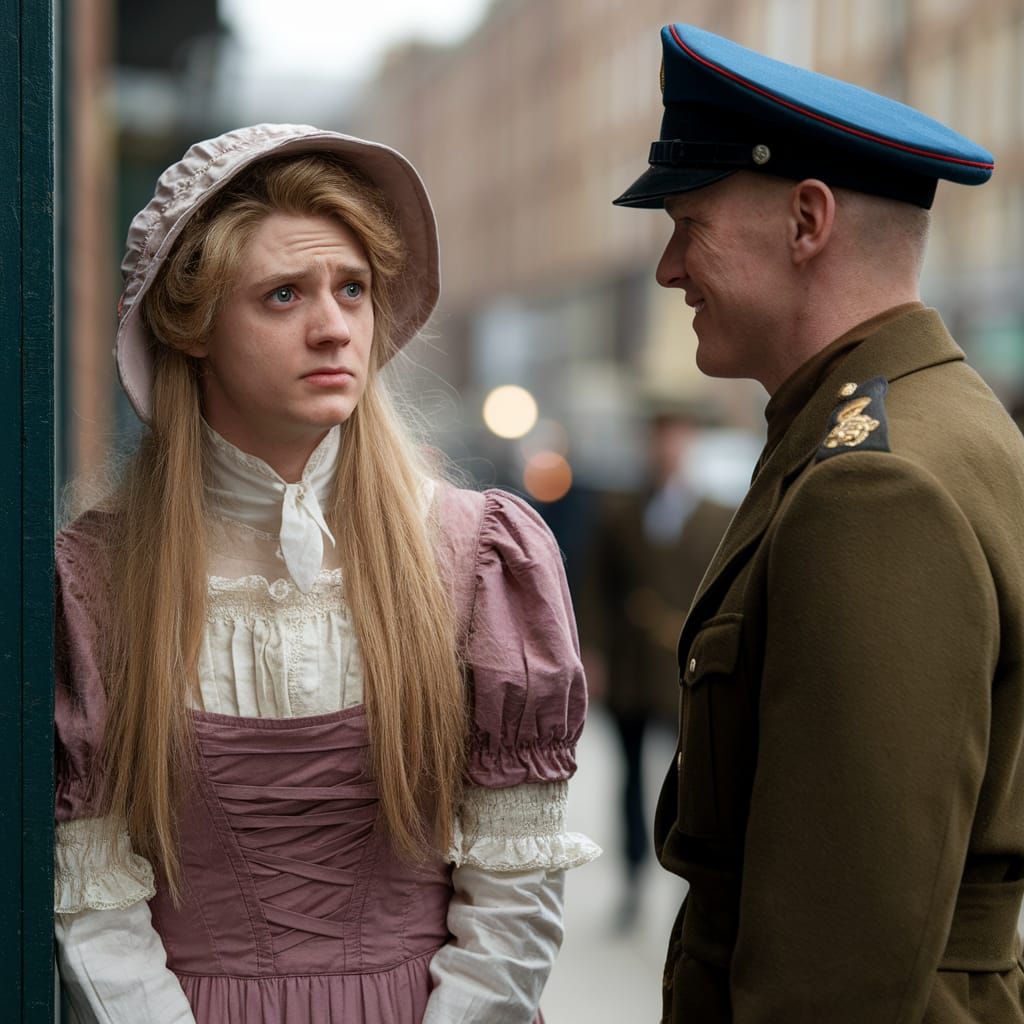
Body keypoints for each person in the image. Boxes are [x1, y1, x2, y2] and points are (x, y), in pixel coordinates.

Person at [53, 123, 600, 1024]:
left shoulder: (477, 554)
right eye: (282, 295)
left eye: (352, 289)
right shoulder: (102, 580)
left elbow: (514, 896)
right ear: (193, 329)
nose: (334, 326)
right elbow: (95, 907)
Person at [613, 24, 1024, 1024]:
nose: (670, 269)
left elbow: (833, 967)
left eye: (689, 221)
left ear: (807, 220)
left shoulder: (872, 486)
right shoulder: (918, 421)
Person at [579, 397, 733, 929]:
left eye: (677, 436)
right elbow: (595, 588)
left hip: (689, 669)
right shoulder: (621, 510)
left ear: (689, 443)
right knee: (629, 778)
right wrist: (591, 652)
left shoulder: (718, 514)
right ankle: (632, 877)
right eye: (658, 436)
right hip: (630, 667)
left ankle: (688, 881)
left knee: (694, 779)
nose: (666, 447)